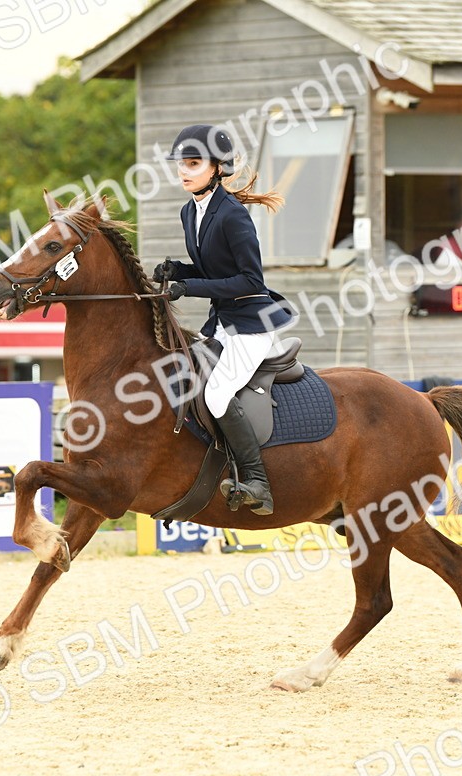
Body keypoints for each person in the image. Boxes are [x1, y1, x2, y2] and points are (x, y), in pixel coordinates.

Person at [154, 123, 295, 515]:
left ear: (217, 167)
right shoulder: (190, 211)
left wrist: (190, 287)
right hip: (221, 321)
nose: (184, 171)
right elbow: (211, 268)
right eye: (181, 163)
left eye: (193, 163)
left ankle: (258, 481)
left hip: (251, 324)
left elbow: (250, 279)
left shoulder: (233, 215)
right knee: (184, 375)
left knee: (216, 393)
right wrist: (178, 271)